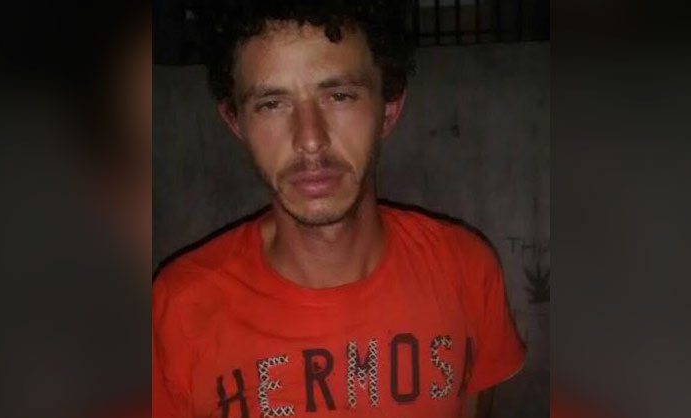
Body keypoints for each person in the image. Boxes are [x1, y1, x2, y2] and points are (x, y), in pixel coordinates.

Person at [152, 1, 525, 417]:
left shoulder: (467, 270)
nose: (310, 140)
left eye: (339, 96)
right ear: (236, 122)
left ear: (388, 110)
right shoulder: (178, 309)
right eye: (272, 104)